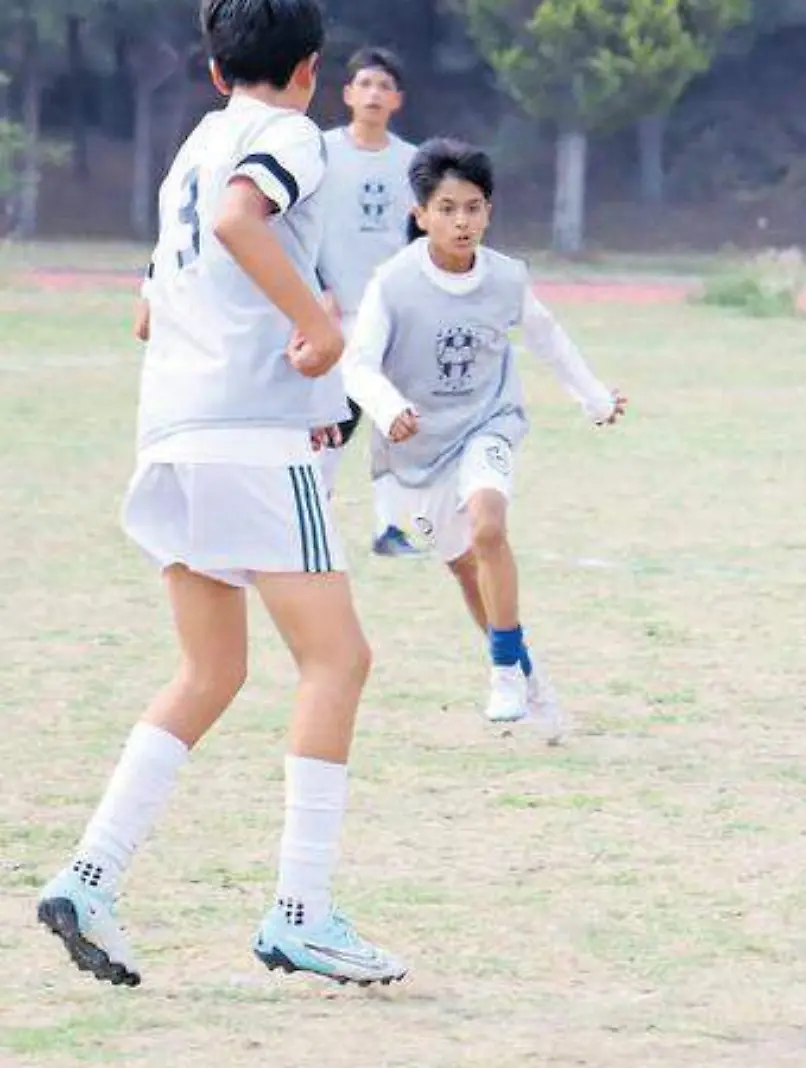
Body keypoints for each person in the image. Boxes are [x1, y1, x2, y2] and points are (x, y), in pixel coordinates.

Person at [37, 0, 407, 987]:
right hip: (251, 439)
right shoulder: (287, 135)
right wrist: (314, 329)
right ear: (312, 71)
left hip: (170, 435)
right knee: (338, 661)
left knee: (211, 673)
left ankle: (88, 876)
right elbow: (243, 217)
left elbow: (146, 311)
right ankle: (302, 912)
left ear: (211, 71)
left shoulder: (192, 147)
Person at [341, 138, 625, 739]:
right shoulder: (391, 284)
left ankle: (501, 670)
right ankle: (529, 676)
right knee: (467, 571)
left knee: (489, 525)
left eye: (472, 207)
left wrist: (595, 398)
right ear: (420, 215)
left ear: (489, 211)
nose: (461, 221)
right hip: (414, 450)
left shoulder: (506, 277)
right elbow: (358, 365)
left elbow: (548, 338)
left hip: (487, 424)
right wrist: (389, 409)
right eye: (446, 208)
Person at [313, 45, 425, 555]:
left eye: (384, 86)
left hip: (388, 311)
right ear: (347, 94)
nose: (374, 94)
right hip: (333, 310)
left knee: (391, 416)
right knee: (332, 415)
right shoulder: (321, 151)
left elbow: (419, 237)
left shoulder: (412, 162)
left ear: (398, 99)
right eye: (365, 85)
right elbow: (298, 225)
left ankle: (388, 527)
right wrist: (316, 289)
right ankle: (313, 511)